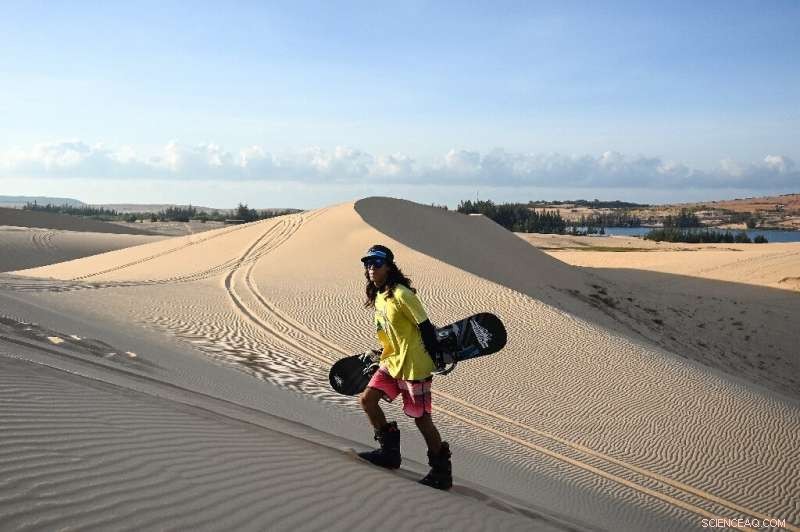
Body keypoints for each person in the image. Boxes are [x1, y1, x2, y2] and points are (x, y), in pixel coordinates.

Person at [357, 244, 452, 490]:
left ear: (389, 266)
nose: (371, 268)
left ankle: (441, 472)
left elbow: (425, 327)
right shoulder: (379, 295)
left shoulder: (402, 294)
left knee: (421, 419)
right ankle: (389, 453)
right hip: (391, 362)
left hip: (414, 366)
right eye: (368, 263)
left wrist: (437, 357)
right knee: (367, 400)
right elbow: (391, 332)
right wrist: (380, 352)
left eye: (377, 263)